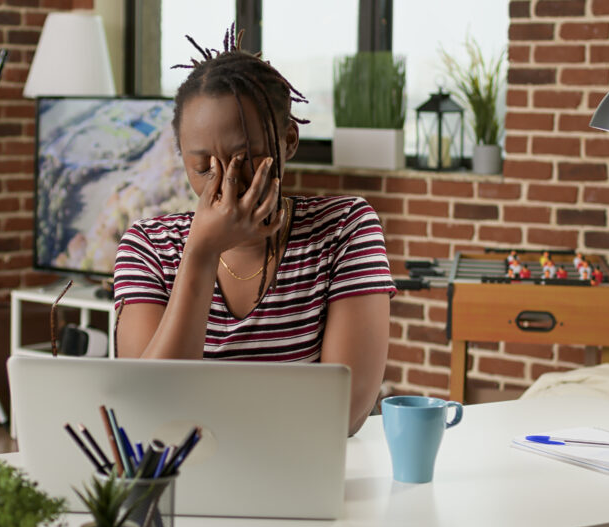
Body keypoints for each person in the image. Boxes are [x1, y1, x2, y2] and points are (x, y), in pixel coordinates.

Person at [112, 27, 396, 435]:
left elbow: (345, 412)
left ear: (289, 141)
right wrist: (202, 252)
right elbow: (150, 409)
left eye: (246, 159)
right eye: (203, 166)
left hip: (302, 477)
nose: (227, 182)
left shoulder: (344, 230)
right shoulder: (148, 247)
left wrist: (203, 415)